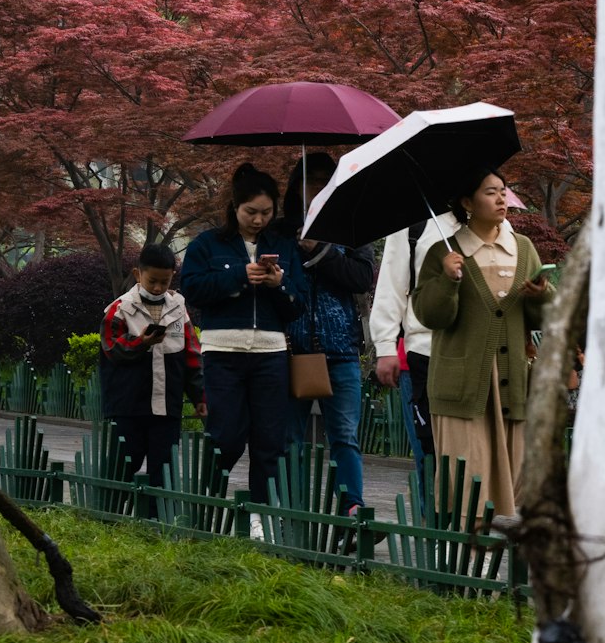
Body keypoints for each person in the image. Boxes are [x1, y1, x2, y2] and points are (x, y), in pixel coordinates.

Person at [411, 169, 553, 519]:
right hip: (462, 385)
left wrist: (542, 296)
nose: (502, 199)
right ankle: (467, 556)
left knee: (516, 477)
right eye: (491, 192)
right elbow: (431, 316)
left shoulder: (522, 248)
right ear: (466, 202)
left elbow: (545, 318)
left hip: (512, 384)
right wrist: (447, 280)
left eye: (503, 191)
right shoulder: (443, 253)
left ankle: (504, 555)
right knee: (467, 475)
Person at [178, 163, 306, 511]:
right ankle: (205, 507)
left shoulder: (283, 246)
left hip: (271, 352)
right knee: (226, 436)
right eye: (251, 211)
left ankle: (262, 515)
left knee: (270, 441)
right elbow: (191, 289)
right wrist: (238, 276)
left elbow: (299, 303)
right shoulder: (207, 244)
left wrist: (280, 285)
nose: (259, 220)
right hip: (223, 351)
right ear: (234, 208)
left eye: (267, 212)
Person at [279, 153, 375, 521]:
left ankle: (351, 507)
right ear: (296, 186)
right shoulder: (280, 230)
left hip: (341, 349)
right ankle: (292, 508)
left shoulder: (352, 226)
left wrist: (321, 250)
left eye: (325, 179)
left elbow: (362, 278)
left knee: (345, 437)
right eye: (310, 179)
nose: (317, 187)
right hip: (291, 348)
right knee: (290, 437)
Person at [99, 242, 206, 486]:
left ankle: (157, 520)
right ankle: (112, 517)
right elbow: (111, 349)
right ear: (138, 274)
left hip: (167, 407)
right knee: (124, 464)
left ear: (172, 277)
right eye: (152, 281)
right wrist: (140, 343)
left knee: (164, 468)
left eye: (164, 282)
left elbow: (191, 356)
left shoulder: (179, 309)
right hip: (128, 406)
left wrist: (200, 396)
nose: (158, 288)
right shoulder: (119, 309)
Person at [370, 209, 461, 482]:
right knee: (429, 455)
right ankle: (429, 521)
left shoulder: (490, 221)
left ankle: (468, 524)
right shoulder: (412, 223)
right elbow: (392, 283)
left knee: (471, 457)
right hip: (423, 352)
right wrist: (385, 345)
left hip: (476, 354)